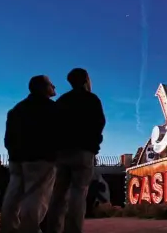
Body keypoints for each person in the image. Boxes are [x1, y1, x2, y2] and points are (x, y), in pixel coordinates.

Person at [45, 68, 106, 233]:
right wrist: (94, 144)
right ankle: (73, 229)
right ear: (86, 79)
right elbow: (99, 123)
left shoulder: (62, 100)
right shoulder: (91, 99)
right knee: (78, 193)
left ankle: (53, 228)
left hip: (61, 152)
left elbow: (51, 127)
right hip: (84, 151)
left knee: (58, 194)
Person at [0, 75, 59, 233]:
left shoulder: (16, 110)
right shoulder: (53, 109)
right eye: (52, 85)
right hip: (41, 159)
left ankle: (8, 228)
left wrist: (14, 153)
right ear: (44, 87)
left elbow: (8, 138)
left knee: (13, 195)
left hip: (17, 159)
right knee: (37, 197)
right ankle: (29, 229)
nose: (55, 87)